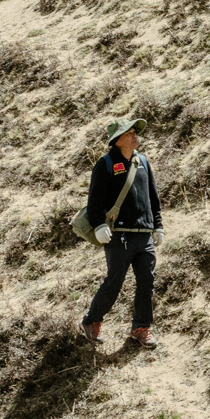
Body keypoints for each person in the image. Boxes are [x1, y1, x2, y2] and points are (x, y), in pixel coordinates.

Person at [79, 117, 164, 350]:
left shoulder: (143, 162)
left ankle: (141, 328)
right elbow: (94, 201)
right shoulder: (105, 164)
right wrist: (99, 225)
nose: (135, 135)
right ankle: (91, 321)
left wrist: (158, 225)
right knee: (114, 282)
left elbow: (153, 198)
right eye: (129, 133)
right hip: (119, 236)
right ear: (117, 140)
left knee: (146, 281)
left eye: (136, 131)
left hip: (144, 235)